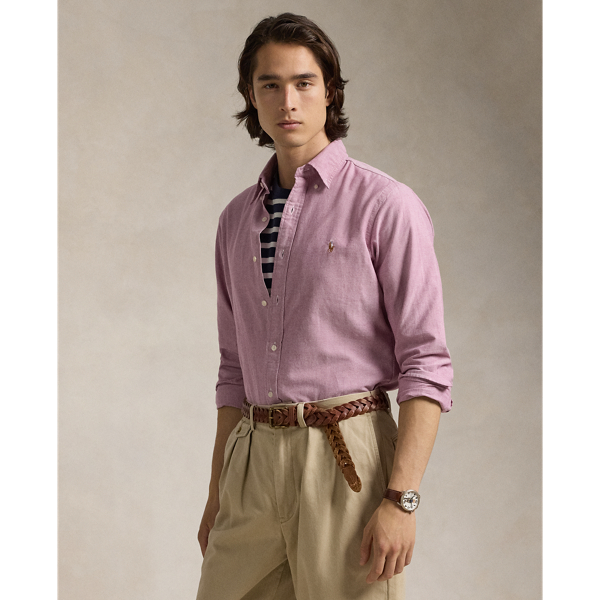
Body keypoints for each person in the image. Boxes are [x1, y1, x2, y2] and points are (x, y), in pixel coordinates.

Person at [196, 12, 453, 600]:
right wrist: (217, 493)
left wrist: (402, 499)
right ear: (251, 96)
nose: (287, 101)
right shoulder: (235, 220)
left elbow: (426, 362)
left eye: (304, 82)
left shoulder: (386, 205)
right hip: (252, 460)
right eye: (270, 84)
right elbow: (233, 370)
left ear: (330, 91)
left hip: (346, 459)